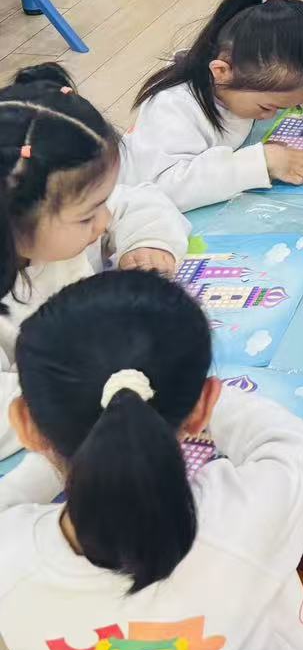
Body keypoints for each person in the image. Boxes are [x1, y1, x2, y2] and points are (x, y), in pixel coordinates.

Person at [0, 271, 303, 650]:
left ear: (24, 424)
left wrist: (61, 451)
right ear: (205, 405)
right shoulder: (240, 513)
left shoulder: (10, 554)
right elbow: (286, 443)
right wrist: (202, 405)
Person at [0, 63, 189, 457]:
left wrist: (149, 243)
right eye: (88, 216)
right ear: (11, 220)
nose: (103, 222)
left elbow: (140, 201)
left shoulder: (57, 213)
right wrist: (86, 382)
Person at [124, 0, 303, 211]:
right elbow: (164, 189)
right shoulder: (173, 108)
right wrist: (262, 163)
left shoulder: (248, 73)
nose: (271, 116)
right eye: (268, 107)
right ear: (221, 72)